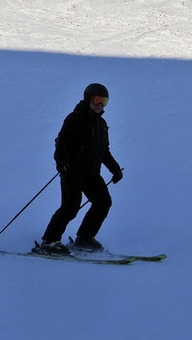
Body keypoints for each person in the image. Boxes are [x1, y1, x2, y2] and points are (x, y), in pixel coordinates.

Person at [39, 83, 123, 255]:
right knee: (70, 208)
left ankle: (85, 237)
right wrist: (62, 163)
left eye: (104, 101)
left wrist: (115, 169)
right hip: (73, 171)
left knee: (103, 202)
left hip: (92, 173)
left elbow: (103, 151)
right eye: (97, 100)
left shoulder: (101, 123)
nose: (100, 105)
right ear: (88, 99)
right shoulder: (74, 119)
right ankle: (48, 242)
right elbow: (61, 143)